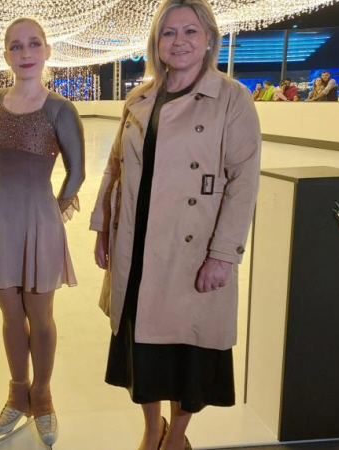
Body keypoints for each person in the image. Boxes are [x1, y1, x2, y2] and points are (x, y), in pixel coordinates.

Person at [90, 0, 261, 449]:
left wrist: (222, 255)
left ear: (208, 39)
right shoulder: (139, 98)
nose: (179, 41)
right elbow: (115, 168)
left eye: (190, 31)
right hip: (137, 241)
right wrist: (103, 228)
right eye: (168, 32)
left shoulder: (232, 98)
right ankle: (153, 431)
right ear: (156, 42)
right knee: (141, 348)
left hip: (191, 246)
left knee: (187, 351)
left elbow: (244, 182)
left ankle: (176, 438)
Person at [0, 17, 85, 448]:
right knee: (9, 314)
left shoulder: (60, 108)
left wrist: (50, 211)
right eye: (16, 46)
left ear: (47, 51)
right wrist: (4, 201)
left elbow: (77, 172)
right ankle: (18, 393)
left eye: (33, 44)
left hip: (39, 225)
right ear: (6, 55)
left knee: (40, 316)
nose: (25, 53)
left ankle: (43, 396)